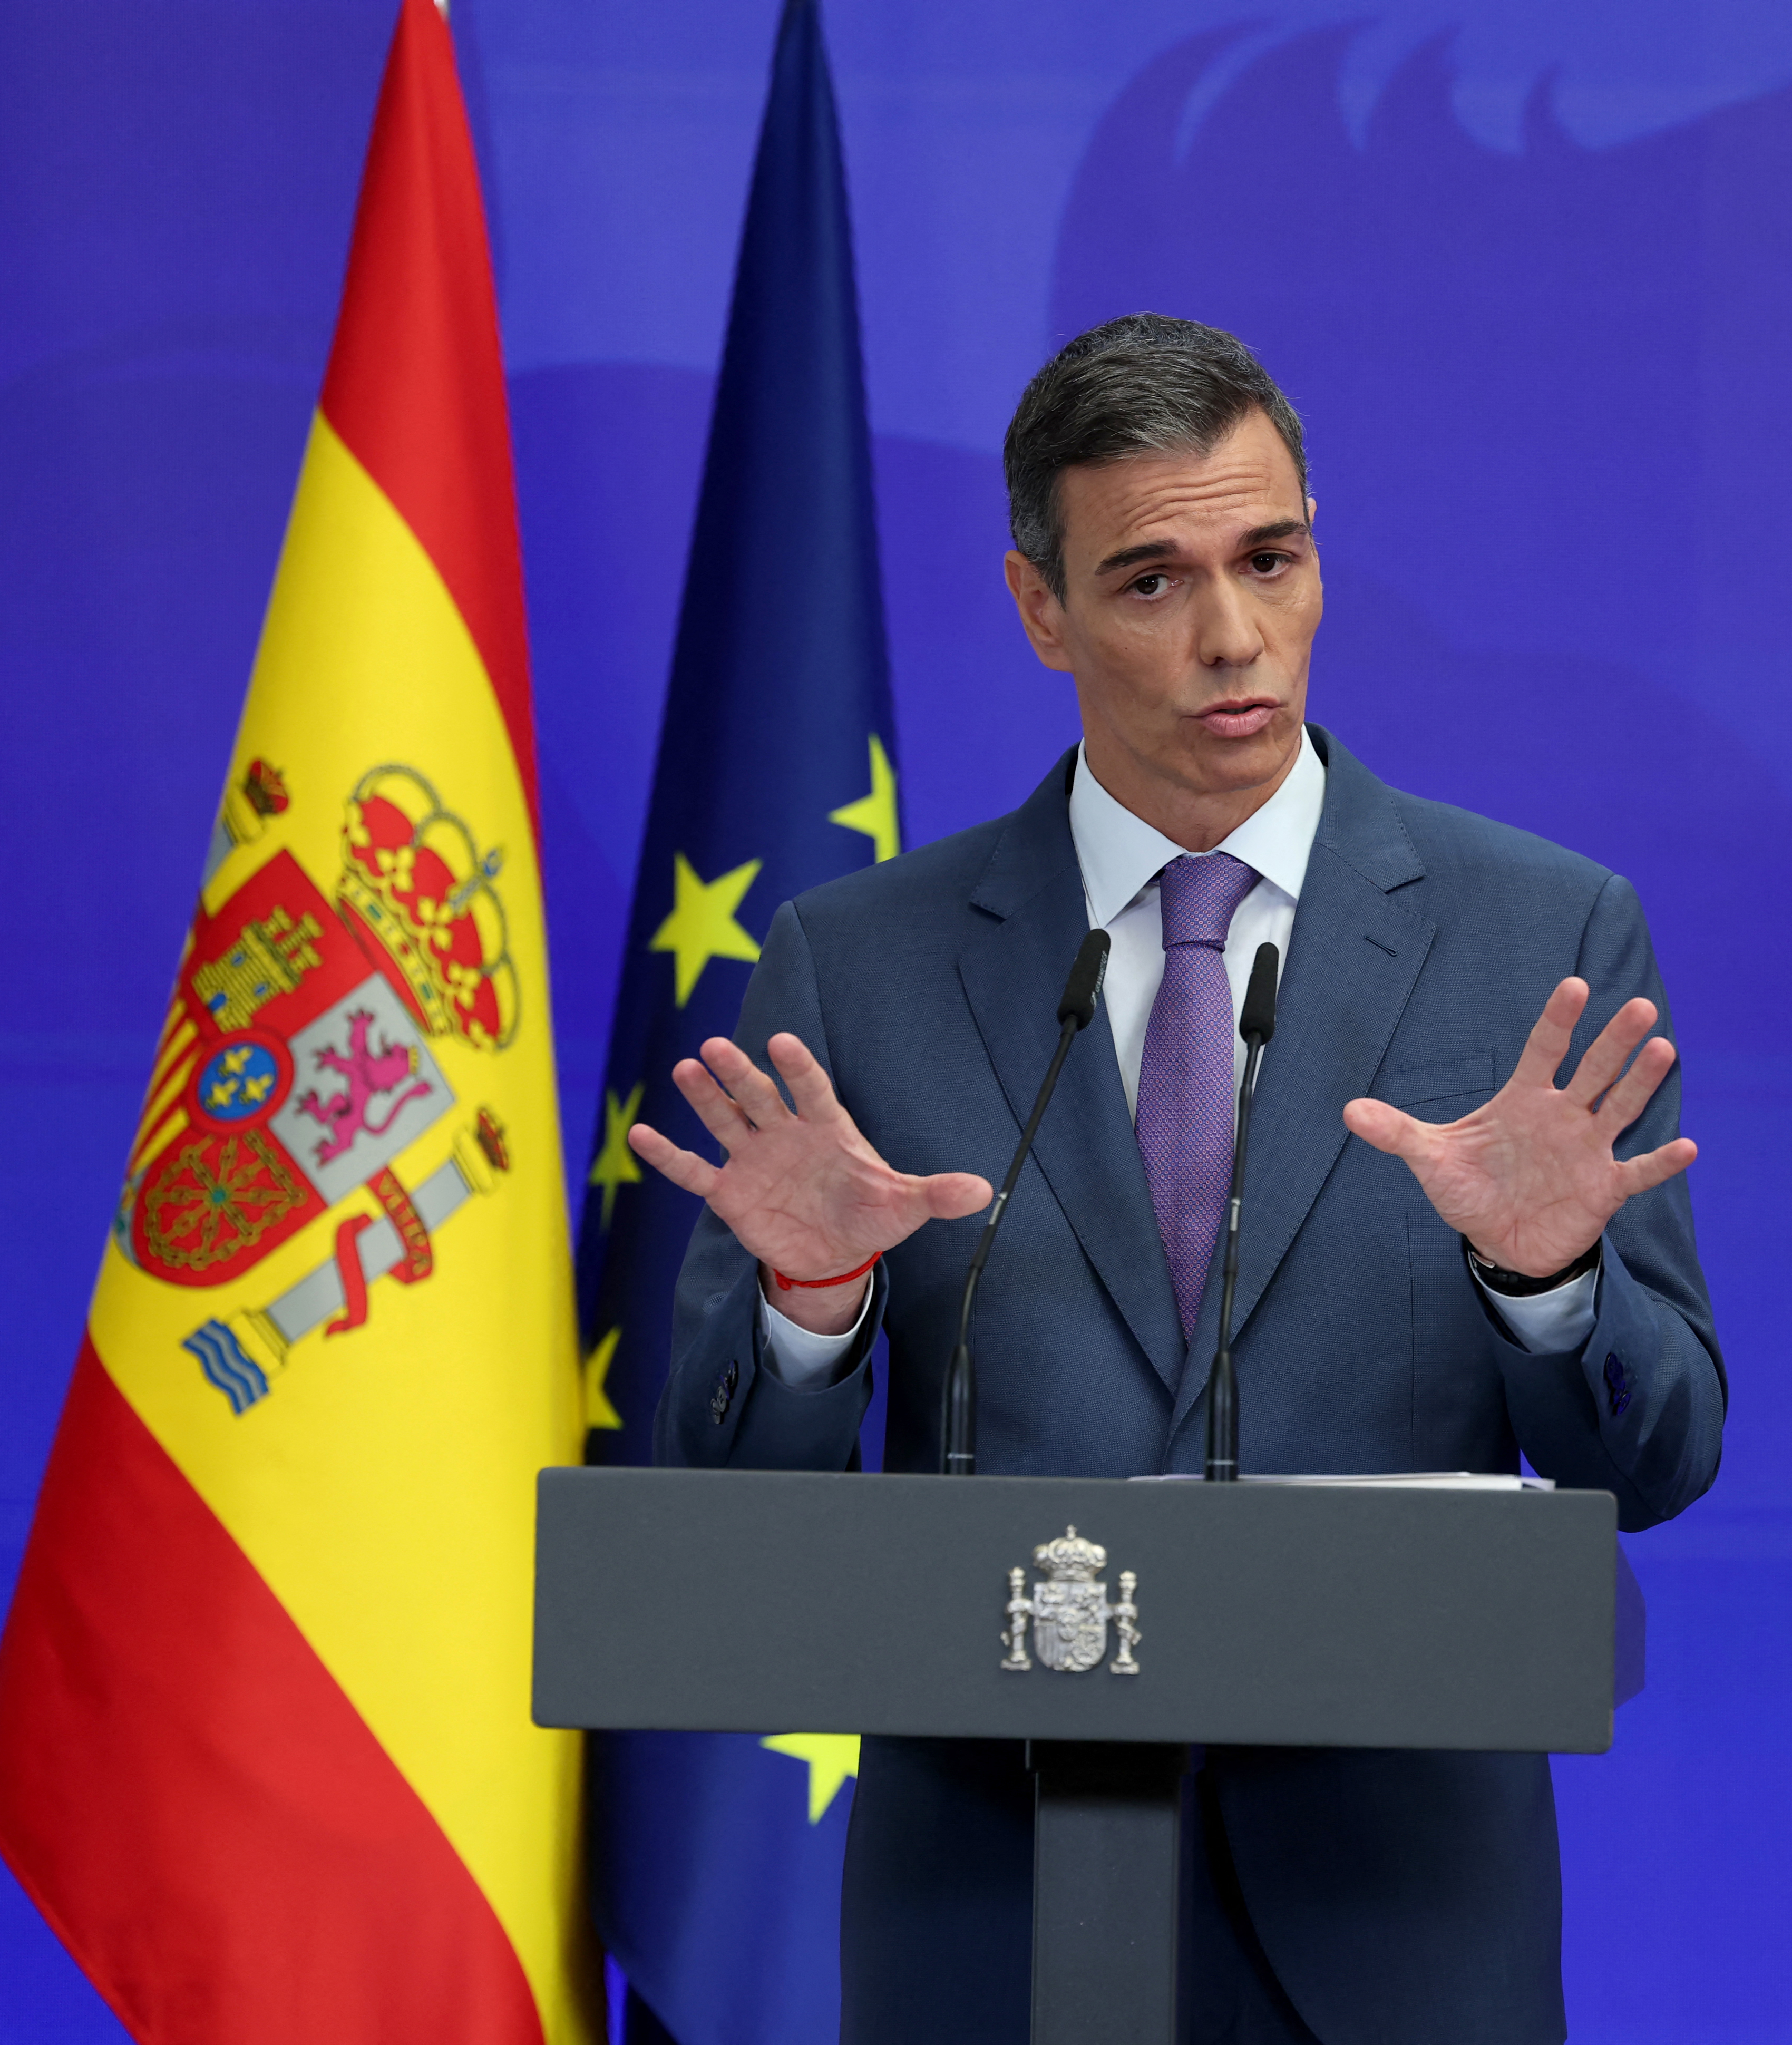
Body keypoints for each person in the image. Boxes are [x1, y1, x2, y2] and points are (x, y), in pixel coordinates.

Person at [629, 313, 1724, 2044]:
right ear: (1037, 608)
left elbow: (1654, 1459)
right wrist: (809, 1310)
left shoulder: (1539, 938)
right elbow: (722, 1490)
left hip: (1395, 1936)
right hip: (984, 1923)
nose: (1232, 638)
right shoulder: (866, 963)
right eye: (1148, 582)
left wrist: (1544, 1283)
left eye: (1268, 560)